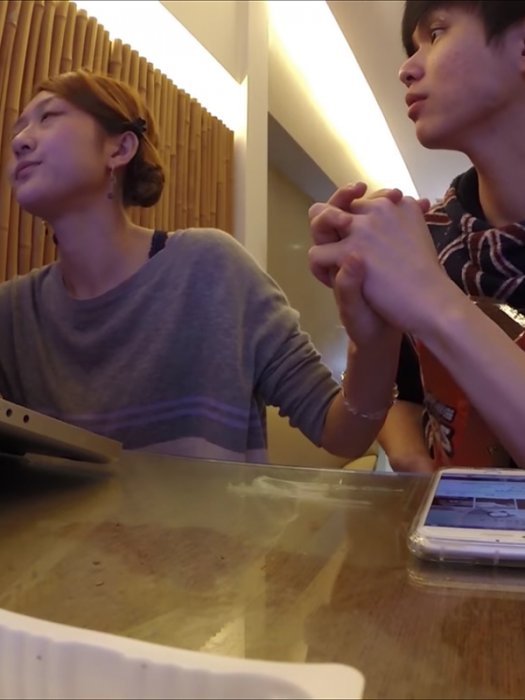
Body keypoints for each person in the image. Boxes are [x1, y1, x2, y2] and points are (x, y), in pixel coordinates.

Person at [2, 68, 397, 463]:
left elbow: (342, 433)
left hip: (215, 509)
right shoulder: (12, 314)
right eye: (19, 128)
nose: (20, 141)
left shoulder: (210, 267)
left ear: (120, 149)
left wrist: (374, 340)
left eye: (48, 116)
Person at [308, 0, 525, 471]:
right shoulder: (430, 238)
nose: (406, 69)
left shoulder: (419, 264)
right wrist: (408, 451)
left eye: (437, 33)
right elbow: (406, 400)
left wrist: (431, 300)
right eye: (412, 47)